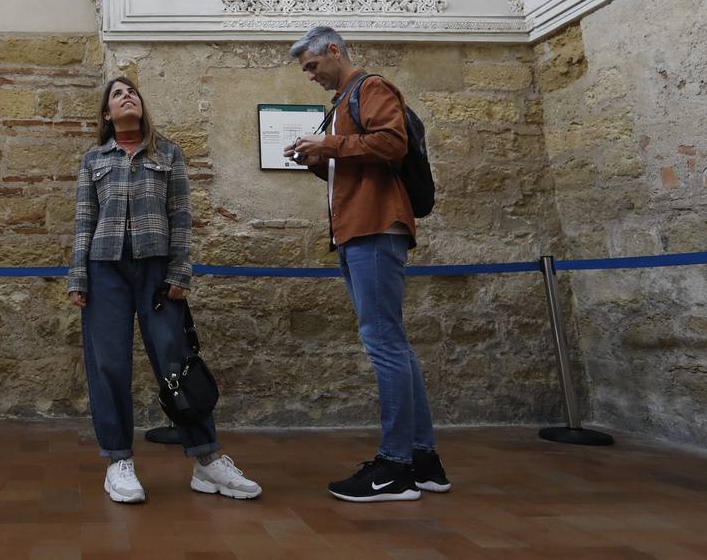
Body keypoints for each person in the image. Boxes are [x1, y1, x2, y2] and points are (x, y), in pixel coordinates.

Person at [68, 76, 261, 503]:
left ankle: (208, 461)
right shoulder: (93, 160)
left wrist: (179, 272)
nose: (127, 97)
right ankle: (119, 460)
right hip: (105, 272)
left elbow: (181, 215)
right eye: (117, 95)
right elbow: (83, 221)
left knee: (177, 363)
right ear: (107, 114)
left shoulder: (168, 154)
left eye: (131, 92)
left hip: (157, 274)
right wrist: (78, 277)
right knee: (109, 366)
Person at [284, 26, 451, 503]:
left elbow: (391, 144)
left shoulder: (370, 87)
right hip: (359, 228)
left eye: (313, 66)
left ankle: (395, 467)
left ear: (333, 50)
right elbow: (360, 162)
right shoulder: (341, 103)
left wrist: (330, 146)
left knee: (383, 343)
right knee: (393, 342)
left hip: (375, 227)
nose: (310, 76)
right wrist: (316, 158)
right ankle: (424, 461)